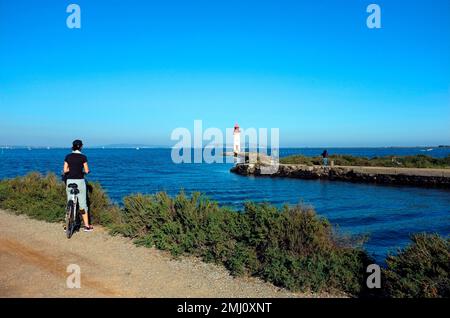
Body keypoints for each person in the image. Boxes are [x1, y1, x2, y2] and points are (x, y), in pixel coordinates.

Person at [63, 139, 93, 232]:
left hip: (69, 181)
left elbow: (65, 170)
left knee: (69, 201)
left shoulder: (68, 156)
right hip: (79, 181)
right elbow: (87, 170)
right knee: (83, 204)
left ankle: (66, 224)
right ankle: (87, 226)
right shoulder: (83, 157)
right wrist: (85, 171)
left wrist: (71, 170)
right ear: (81, 146)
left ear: (73, 146)